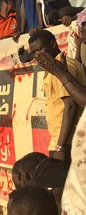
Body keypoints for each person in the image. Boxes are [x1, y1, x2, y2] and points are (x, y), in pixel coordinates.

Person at [29, 30, 86, 161]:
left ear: (53, 44)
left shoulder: (59, 68)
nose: (37, 55)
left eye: (39, 49)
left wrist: (60, 147)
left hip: (67, 144)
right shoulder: (59, 66)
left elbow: (70, 106)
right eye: (33, 52)